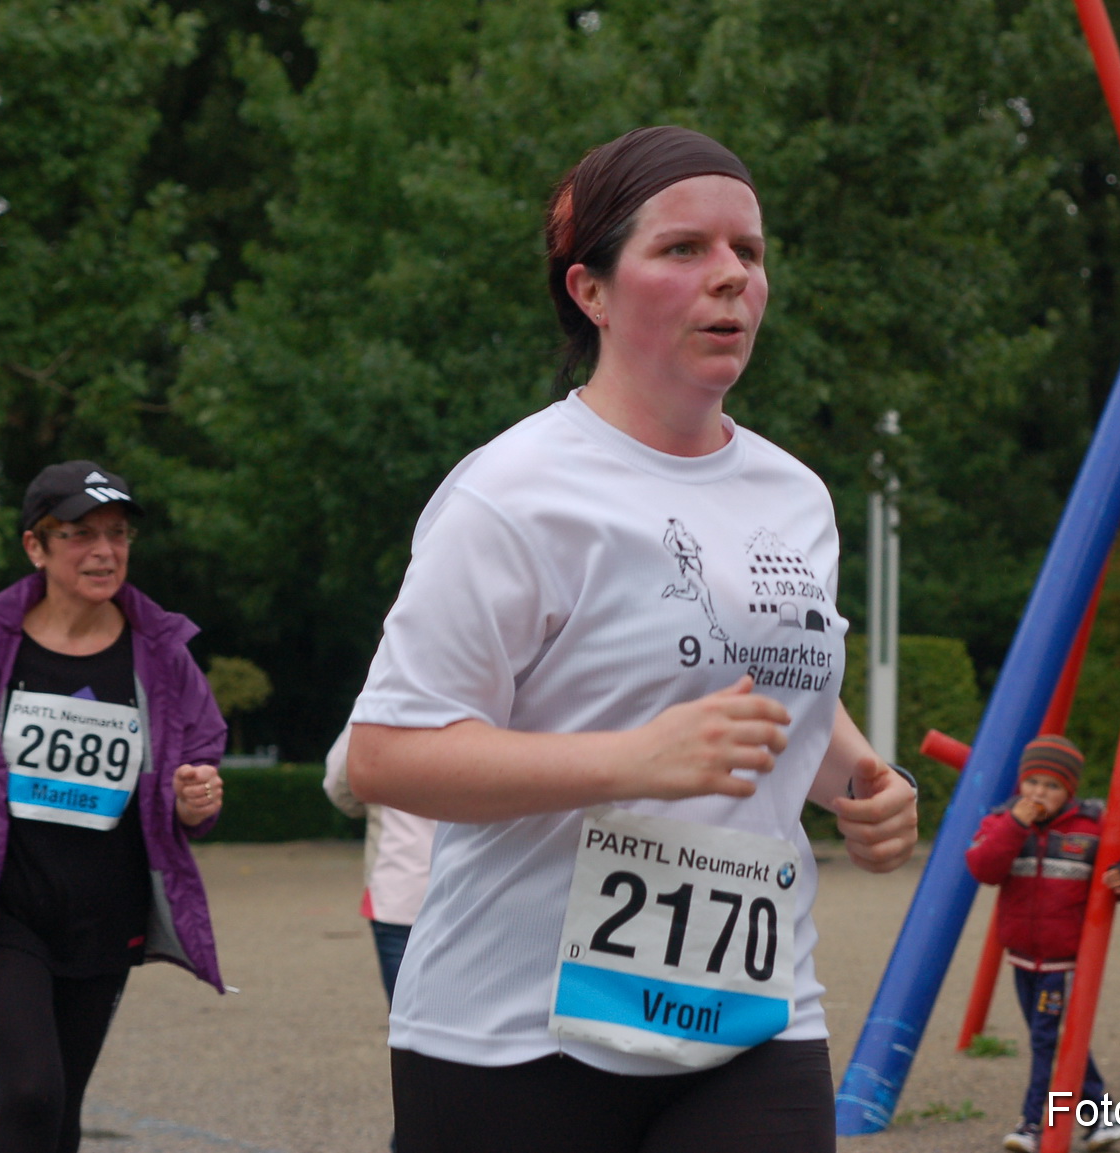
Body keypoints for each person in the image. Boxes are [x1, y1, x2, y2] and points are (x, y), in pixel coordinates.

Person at [344, 126, 919, 1153]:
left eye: (749, 251)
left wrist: (860, 778)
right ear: (591, 291)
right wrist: (629, 759)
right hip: (513, 1034)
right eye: (685, 249)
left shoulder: (797, 496)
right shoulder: (513, 493)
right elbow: (390, 752)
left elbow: (773, 688)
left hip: (754, 1011)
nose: (732, 277)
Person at [0, 461, 228, 1153]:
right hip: (0, 907)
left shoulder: (165, 658)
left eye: (117, 534)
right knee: (31, 1090)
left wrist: (192, 798)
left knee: (61, 1109)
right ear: (36, 546)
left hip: (104, 915)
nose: (104, 551)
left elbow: (196, 788)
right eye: (80, 534)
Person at [964, 735, 1120, 1153]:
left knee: (1047, 1039)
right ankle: (1101, 1114)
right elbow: (983, 867)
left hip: (1063, 959)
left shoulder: (1089, 827)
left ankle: (1034, 1124)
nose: (1039, 794)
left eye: (1052, 786)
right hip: (1023, 956)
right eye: (1032, 783)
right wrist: (1015, 825)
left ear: (1069, 792)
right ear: (1021, 784)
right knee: (1058, 1038)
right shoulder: (1002, 822)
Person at [322, 719, 435, 1004]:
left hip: (398, 887)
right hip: (479, 891)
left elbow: (338, 784)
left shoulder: (379, 702)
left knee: (407, 1018)